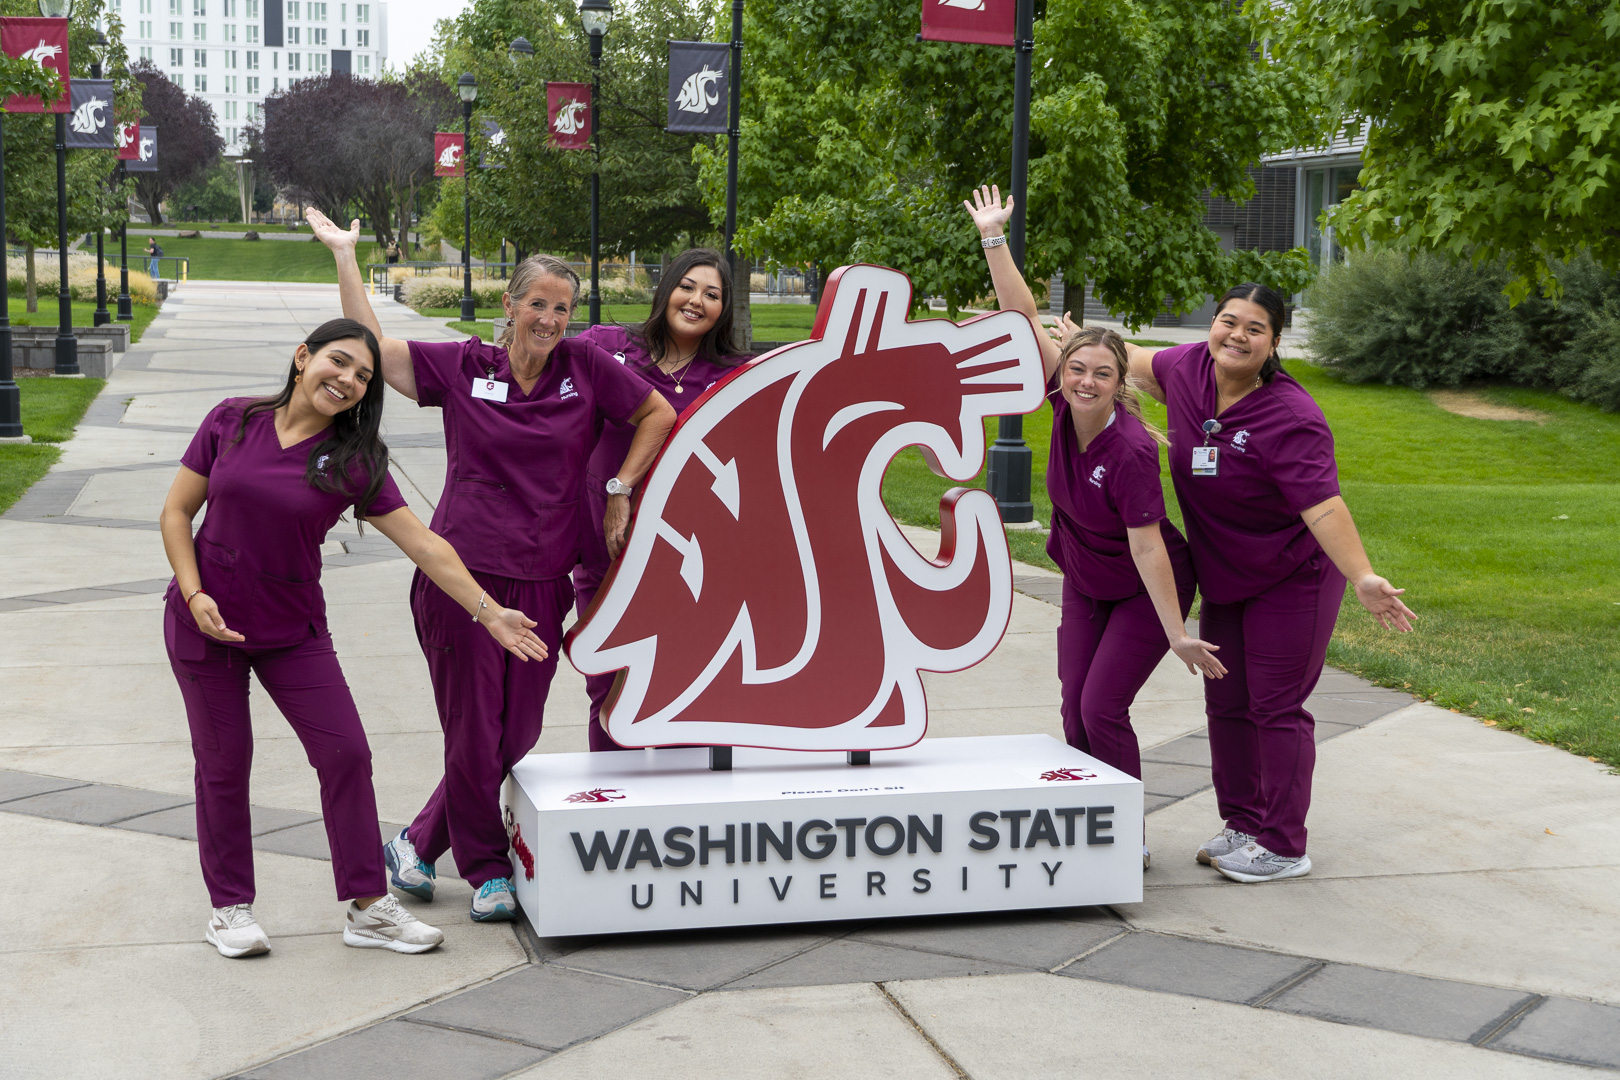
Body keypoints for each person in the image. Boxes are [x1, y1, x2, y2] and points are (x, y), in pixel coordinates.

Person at [306, 208, 677, 922]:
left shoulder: (587, 369)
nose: (548, 318)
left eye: (562, 308)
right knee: (474, 732)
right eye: (536, 303)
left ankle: (415, 843)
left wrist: (620, 489)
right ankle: (486, 870)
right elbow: (374, 351)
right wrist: (346, 258)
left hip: (542, 579)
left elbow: (657, 414)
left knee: (516, 735)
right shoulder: (466, 365)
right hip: (463, 580)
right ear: (510, 305)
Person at [160, 318, 550, 959]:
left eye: (363, 376)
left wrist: (489, 612)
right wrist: (195, 592)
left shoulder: (354, 459)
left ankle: (369, 908)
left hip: (292, 631)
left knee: (346, 755)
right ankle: (230, 908)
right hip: (204, 627)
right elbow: (178, 511)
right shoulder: (232, 420)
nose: (346, 380)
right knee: (225, 765)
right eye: (337, 362)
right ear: (302, 356)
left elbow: (422, 542)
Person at [965, 186, 1224, 870]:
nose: (1083, 381)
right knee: (1075, 710)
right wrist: (994, 237)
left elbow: (1148, 545)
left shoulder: (1134, 450)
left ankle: (1124, 833)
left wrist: (1175, 632)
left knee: (1103, 707)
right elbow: (1022, 315)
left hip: (1143, 590)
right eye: (1076, 367)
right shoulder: (1059, 399)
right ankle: (1088, 816)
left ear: (1118, 384)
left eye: (1100, 374)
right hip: (1087, 581)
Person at [1124, 283, 1415, 884]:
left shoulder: (1291, 415)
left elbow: (1323, 506)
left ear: (1275, 341)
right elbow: (1118, 357)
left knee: (1275, 708)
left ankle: (1283, 844)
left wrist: (1361, 575)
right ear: (1212, 325)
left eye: (1254, 328)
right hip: (1227, 576)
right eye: (1228, 321)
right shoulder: (1189, 368)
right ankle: (1243, 824)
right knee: (1226, 702)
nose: (1237, 335)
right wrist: (1064, 337)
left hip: (1292, 579)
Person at [571, 248, 751, 751]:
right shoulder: (606, 346)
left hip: (691, 571)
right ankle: (613, 815)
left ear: (725, 308)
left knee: (684, 696)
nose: (696, 301)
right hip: (605, 557)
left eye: (712, 295)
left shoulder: (736, 376)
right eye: (687, 286)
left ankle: (681, 820)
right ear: (666, 288)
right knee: (610, 694)